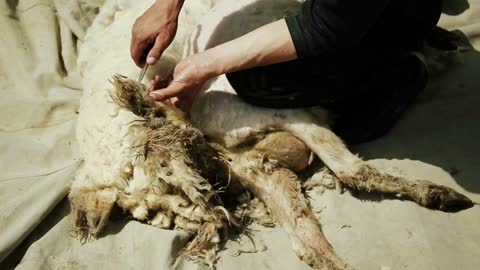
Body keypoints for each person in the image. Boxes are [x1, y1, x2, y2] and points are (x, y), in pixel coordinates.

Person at [130, 0, 442, 144]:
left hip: (392, 16)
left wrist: (201, 66)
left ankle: (399, 72)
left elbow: (324, 28)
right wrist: (167, 7)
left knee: (258, 78)